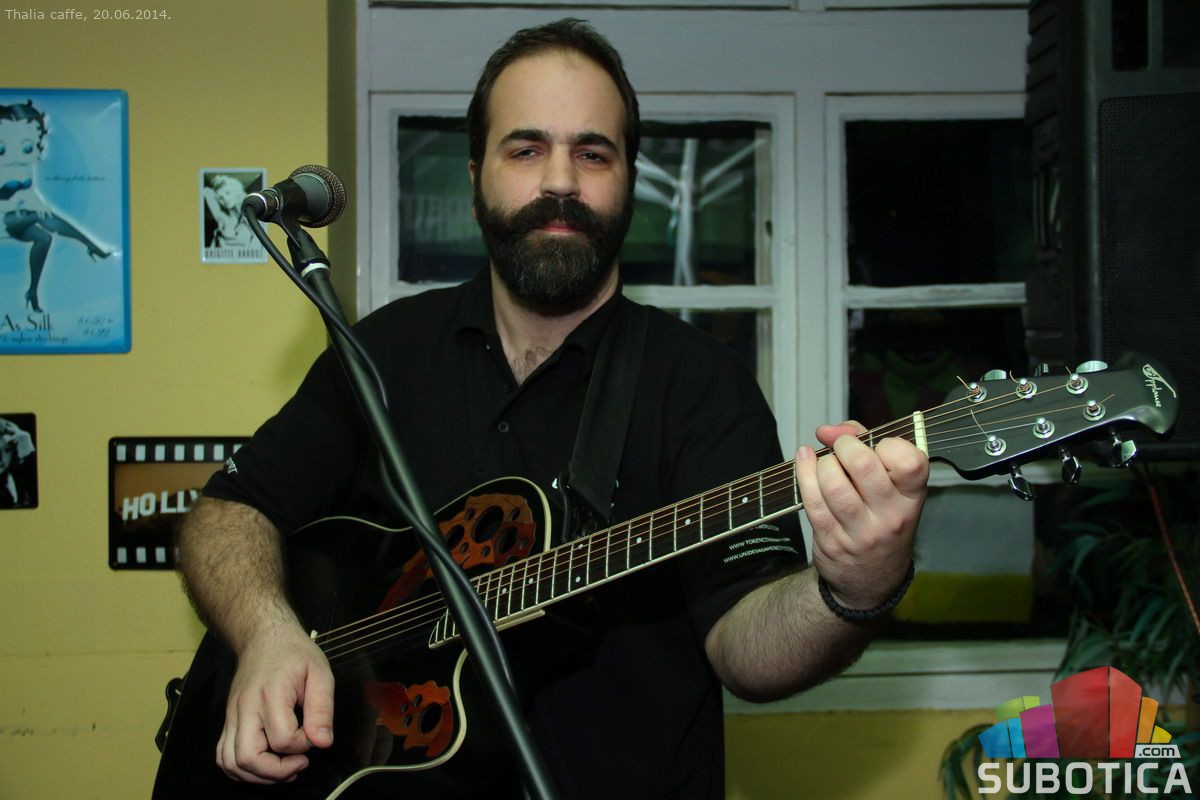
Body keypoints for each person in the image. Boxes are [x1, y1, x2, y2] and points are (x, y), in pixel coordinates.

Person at [176, 18, 927, 798]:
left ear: (629, 180)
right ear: (476, 176)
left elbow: (749, 649)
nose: (561, 181)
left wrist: (853, 588)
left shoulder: (701, 385)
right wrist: (267, 635)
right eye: (526, 149)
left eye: (593, 153)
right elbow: (227, 513)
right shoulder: (385, 353)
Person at [0, 100, 112, 313]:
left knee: (44, 238)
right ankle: (92, 246)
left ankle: (32, 291)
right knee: (40, 217)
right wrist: (17, 205)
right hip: (4, 219)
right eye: (1, 149)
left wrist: (37, 203)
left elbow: (30, 192)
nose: (15, 155)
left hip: (16, 222)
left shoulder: (25, 168)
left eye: (27, 148)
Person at [202, 173, 256, 248]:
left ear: (236, 191)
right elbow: (207, 191)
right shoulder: (223, 218)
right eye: (221, 198)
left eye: (227, 193)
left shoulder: (249, 214)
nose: (225, 199)